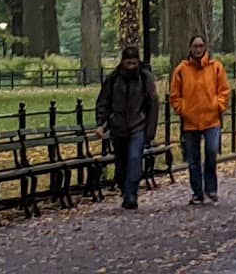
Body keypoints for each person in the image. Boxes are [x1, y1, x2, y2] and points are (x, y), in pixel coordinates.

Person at [94, 45, 160, 210]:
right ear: (123, 62)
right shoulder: (113, 79)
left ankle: (131, 195)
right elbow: (103, 102)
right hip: (118, 127)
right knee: (121, 162)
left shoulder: (145, 78)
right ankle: (125, 188)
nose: (131, 67)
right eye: (128, 63)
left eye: (134, 63)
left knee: (135, 158)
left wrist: (150, 130)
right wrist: (101, 123)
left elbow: (152, 103)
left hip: (138, 125)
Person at [170, 35, 229, 206]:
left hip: (211, 119)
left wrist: (218, 106)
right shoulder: (181, 69)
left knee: (211, 152)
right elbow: (175, 95)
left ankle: (211, 189)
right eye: (195, 46)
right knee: (193, 159)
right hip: (190, 121)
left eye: (201, 45)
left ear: (205, 47)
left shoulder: (216, 67)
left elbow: (224, 90)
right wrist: (182, 109)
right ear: (190, 48)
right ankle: (197, 192)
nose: (198, 49)